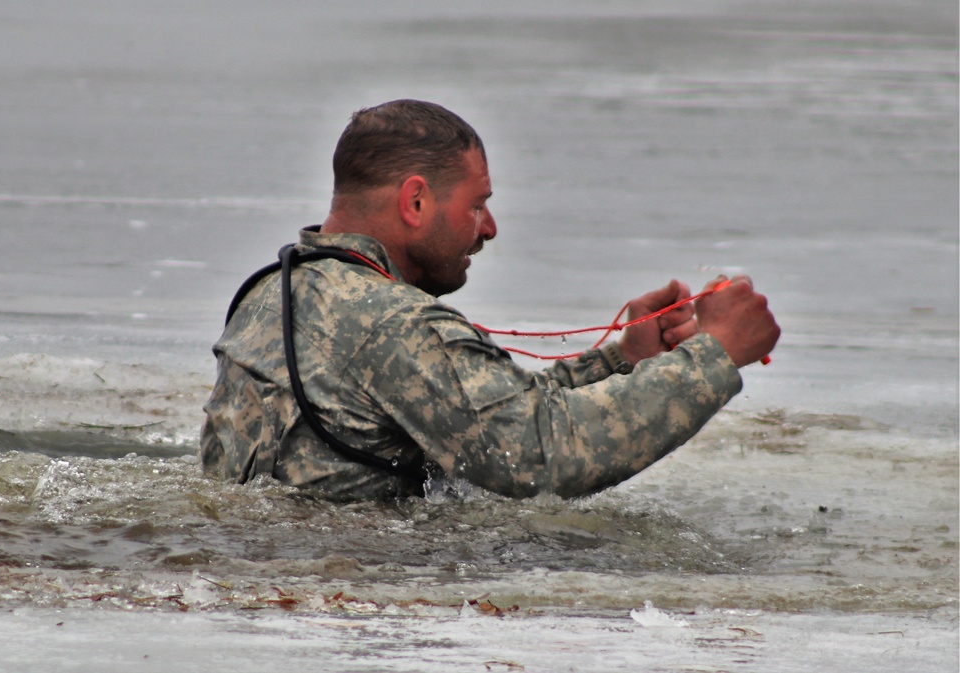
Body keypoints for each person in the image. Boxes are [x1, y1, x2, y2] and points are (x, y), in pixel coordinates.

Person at [200, 99, 780, 501]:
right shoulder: (390, 323)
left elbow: (486, 414)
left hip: (271, 570)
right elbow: (540, 455)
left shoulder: (272, 289)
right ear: (416, 202)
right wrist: (715, 356)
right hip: (346, 586)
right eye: (478, 204)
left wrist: (622, 358)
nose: (490, 227)